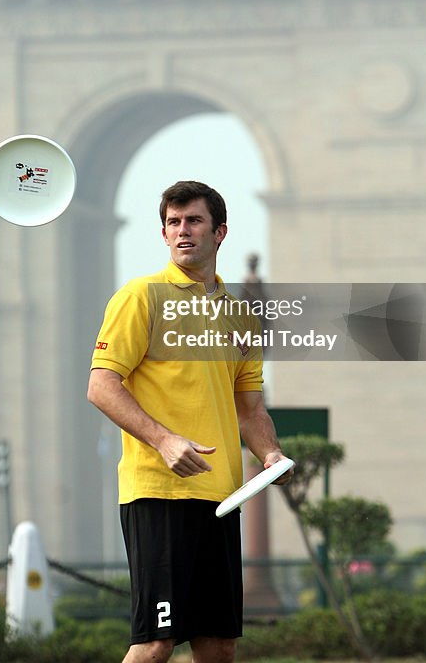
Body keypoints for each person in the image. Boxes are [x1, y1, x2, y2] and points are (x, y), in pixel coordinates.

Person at [87, 180, 292, 663]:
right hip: (158, 493)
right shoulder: (141, 298)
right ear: (163, 234)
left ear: (219, 232)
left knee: (218, 645)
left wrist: (270, 453)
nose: (183, 231)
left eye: (194, 221)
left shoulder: (241, 318)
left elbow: (250, 408)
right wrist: (163, 441)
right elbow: (101, 386)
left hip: (221, 499)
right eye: (173, 223)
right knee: (155, 643)